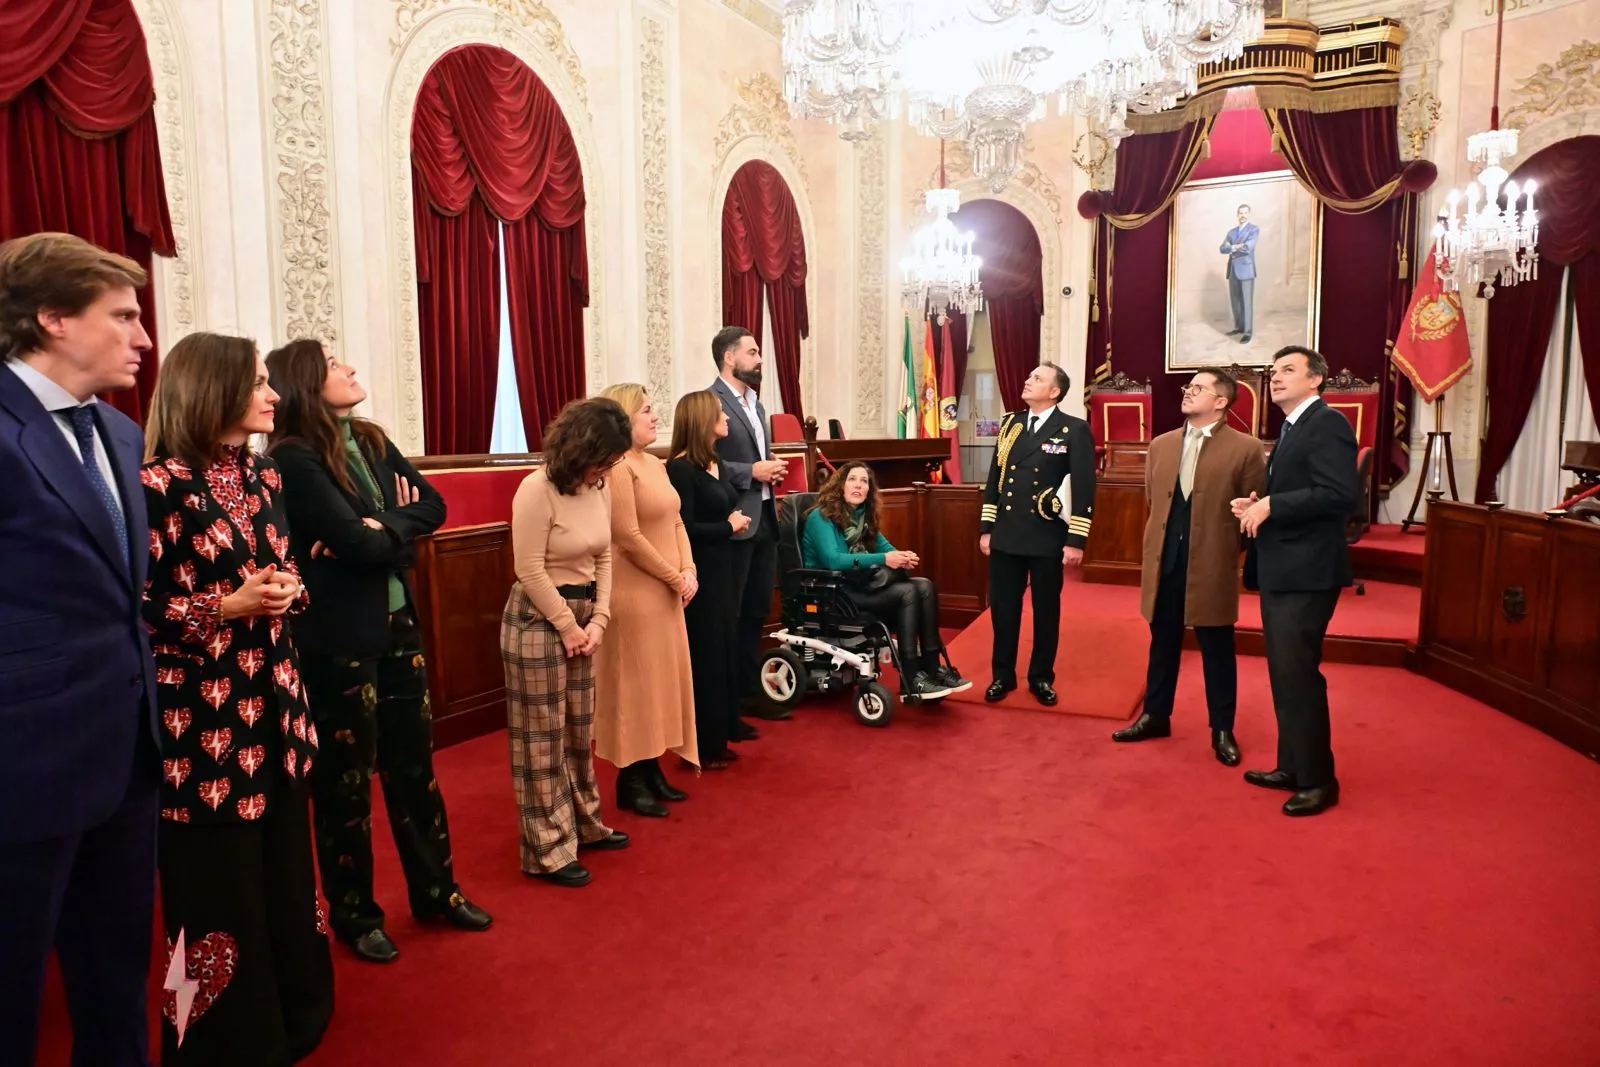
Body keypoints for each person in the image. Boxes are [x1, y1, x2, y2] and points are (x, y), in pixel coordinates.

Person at [140, 331, 334, 1064]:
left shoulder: (263, 476)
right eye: (258, 381)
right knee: (216, 884)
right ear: (214, 387)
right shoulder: (155, 485)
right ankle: (226, 1039)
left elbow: (283, 570)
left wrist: (288, 590)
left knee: (285, 868)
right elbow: (138, 604)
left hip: (277, 702)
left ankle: (296, 1012)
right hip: (202, 717)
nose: (273, 394)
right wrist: (225, 606)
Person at [265, 339, 491, 964]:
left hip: (397, 624)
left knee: (414, 765)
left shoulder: (369, 439)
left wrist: (382, 528)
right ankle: (355, 913)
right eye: (337, 365)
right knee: (345, 782)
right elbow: (352, 540)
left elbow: (433, 506)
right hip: (338, 639)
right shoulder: (294, 456)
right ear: (307, 381)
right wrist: (386, 530)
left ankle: (437, 890)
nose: (353, 368)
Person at [0, 233, 161, 1067]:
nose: (142, 337)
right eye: (123, 316)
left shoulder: (121, 434)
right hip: (23, 766)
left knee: (113, 975)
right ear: (52, 317)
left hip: (126, 749)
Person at [502, 397, 634, 887]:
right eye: (605, 458)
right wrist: (568, 625)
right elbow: (529, 569)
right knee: (541, 738)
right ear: (581, 448)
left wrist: (598, 619)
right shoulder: (536, 489)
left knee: (579, 728)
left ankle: (583, 823)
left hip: (582, 617)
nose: (609, 468)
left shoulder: (599, 486)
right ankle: (547, 848)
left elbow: (604, 556)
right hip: (538, 619)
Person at [1114, 368, 1266, 765]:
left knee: (1217, 647)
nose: (1188, 393)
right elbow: (1154, 499)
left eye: (1198, 388)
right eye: (1188, 386)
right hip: (1165, 558)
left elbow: (1252, 507)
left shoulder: (1246, 448)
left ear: (1220, 401)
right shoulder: (1162, 445)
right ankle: (1155, 715)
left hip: (1212, 560)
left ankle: (1222, 729)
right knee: (1161, 643)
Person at [1231, 345, 1358, 817]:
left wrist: (1274, 506)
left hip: (1308, 570)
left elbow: (1338, 493)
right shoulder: (1292, 428)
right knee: (1285, 673)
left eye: (1289, 370)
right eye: (1274, 371)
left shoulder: (1327, 423)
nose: (1276, 378)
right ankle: (1293, 765)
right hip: (1285, 565)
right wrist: (1258, 505)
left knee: (1298, 674)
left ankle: (1320, 781)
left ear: (1316, 380)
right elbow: (1299, 491)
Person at [592, 383, 699, 816]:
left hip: (665, 591)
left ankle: (652, 766)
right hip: (633, 592)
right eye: (647, 411)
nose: (656, 417)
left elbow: (676, 521)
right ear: (623, 419)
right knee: (635, 686)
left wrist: (688, 571)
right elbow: (627, 537)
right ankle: (629, 778)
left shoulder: (654, 463)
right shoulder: (617, 467)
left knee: (660, 682)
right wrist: (675, 576)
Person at [978, 362, 1096, 707]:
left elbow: (1085, 487)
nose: (1028, 381)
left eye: (1037, 379)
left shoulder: (1073, 429)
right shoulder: (1011, 424)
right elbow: (995, 477)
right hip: (1007, 534)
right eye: (1029, 376)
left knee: (1046, 610)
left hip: (1047, 535)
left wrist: (1076, 539)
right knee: (1003, 609)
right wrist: (987, 527)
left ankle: (1041, 677)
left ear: (1055, 391)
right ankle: (1002, 675)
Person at [801, 461, 971, 698]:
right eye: (852, 479)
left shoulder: (862, 516)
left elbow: (885, 547)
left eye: (864, 481)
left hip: (857, 584)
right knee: (908, 592)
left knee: (924, 586)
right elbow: (833, 560)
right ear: (839, 485)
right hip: (834, 591)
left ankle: (933, 668)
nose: (858, 485)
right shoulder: (821, 517)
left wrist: (902, 557)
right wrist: (885, 559)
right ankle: (911, 678)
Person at [710, 325, 790, 731]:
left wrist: (769, 469)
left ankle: (747, 688)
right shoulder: (710, 401)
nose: (760, 359)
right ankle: (729, 699)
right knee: (732, 610)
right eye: (753, 352)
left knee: (757, 608)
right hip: (734, 522)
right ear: (729, 357)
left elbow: (756, 456)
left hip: (765, 518)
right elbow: (701, 464)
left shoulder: (756, 404)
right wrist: (751, 471)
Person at [666, 390, 751, 770]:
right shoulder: (681, 469)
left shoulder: (710, 463)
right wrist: (727, 526)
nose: (727, 418)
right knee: (707, 656)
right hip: (700, 572)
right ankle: (701, 744)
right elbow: (682, 528)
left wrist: (730, 522)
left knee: (723, 649)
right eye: (720, 413)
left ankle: (722, 730)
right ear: (702, 421)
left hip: (723, 565)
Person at [1219, 203, 1258, 343]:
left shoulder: (1253, 230)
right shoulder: (1231, 232)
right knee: (1235, 301)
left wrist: (1232, 247)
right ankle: (1239, 327)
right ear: (1237, 215)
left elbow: (1248, 248)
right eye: (1240, 213)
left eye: (1245, 213)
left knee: (1247, 302)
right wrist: (1236, 246)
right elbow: (1222, 249)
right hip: (1232, 270)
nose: (1242, 215)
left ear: (1249, 214)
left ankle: (1247, 332)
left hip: (1247, 270)